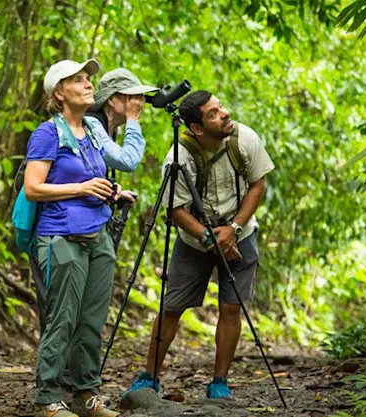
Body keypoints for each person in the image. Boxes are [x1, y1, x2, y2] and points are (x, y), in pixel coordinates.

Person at [124, 90, 274, 399]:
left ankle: (219, 382)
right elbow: (175, 210)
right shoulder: (178, 157)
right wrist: (211, 239)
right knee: (172, 307)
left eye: (221, 107)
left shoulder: (244, 139)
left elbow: (258, 184)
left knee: (232, 307)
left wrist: (233, 229)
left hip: (241, 233)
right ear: (197, 128)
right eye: (213, 114)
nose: (225, 114)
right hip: (194, 241)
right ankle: (149, 376)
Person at [25, 58, 133, 417]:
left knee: (91, 321)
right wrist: (82, 187)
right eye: (78, 80)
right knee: (62, 319)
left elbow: (93, 176)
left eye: (89, 79)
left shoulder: (92, 130)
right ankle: (47, 399)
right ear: (59, 92)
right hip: (60, 238)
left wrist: (111, 191)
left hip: (97, 236)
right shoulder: (47, 133)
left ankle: (85, 396)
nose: (89, 85)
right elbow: (33, 188)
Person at [85, 68, 157, 172]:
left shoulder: (110, 127)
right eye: (131, 97)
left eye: (139, 97)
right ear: (110, 99)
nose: (137, 103)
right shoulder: (91, 123)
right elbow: (128, 161)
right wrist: (132, 119)